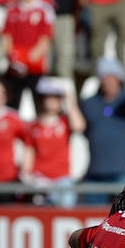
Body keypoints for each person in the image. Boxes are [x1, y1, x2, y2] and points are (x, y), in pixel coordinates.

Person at [80, 58, 125, 199]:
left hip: (123, 173)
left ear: (119, 78)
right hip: (95, 173)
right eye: (103, 77)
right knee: (93, 218)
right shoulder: (88, 103)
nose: (107, 81)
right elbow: (84, 130)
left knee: (123, 217)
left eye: (111, 76)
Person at [22, 76, 86, 206]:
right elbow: (29, 152)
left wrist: (69, 100)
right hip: (40, 180)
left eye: (56, 96)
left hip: (62, 180)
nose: (52, 100)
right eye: (48, 96)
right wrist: (27, 174)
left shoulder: (65, 121)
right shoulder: (33, 126)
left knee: (66, 215)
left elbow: (79, 126)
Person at [0, 0, 54, 109]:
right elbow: (6, 37)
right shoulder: (12, 10)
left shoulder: (44, 9)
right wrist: (14, 59)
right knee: (11, 102)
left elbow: (45, 40)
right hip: (15, 66)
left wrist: (29, 59)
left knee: (39, 104)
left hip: (35, 67)